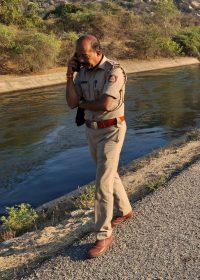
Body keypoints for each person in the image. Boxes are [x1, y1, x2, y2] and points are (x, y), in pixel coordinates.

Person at [66, 35, 133, 258]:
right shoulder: (81, 72)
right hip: (91, 130)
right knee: (108, 173)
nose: (81, 59)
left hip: (112, 129)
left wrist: (83, 104)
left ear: (98, 51)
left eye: (84, 55)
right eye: (78, 56)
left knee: (102, 181)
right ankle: (125, 209)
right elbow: (71, 102)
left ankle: (104, 234)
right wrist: (69, 75)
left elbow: (105, 104)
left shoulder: (114, 71)